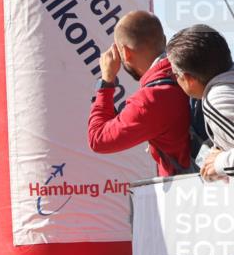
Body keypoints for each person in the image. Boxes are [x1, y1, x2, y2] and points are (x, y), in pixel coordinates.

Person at [88, 10, 192, 176]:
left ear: (126, 53)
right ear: (164, 41)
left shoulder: (150, 99)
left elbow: (98, 139)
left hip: (190, 187)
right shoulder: (192, 70)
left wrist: (106, 81)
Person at [166, 24, 234, 182]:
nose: (175, 79)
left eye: (174, 74)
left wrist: (219, 163)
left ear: (188, 78)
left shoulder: (217, 100)